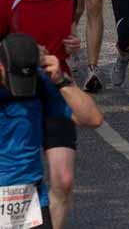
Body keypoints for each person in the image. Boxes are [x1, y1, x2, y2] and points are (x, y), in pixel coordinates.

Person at [0, 32, 102, 229]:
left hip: (26, 200)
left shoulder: (39, 84)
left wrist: (61, 80)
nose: (20, 88)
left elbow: (93, 119)